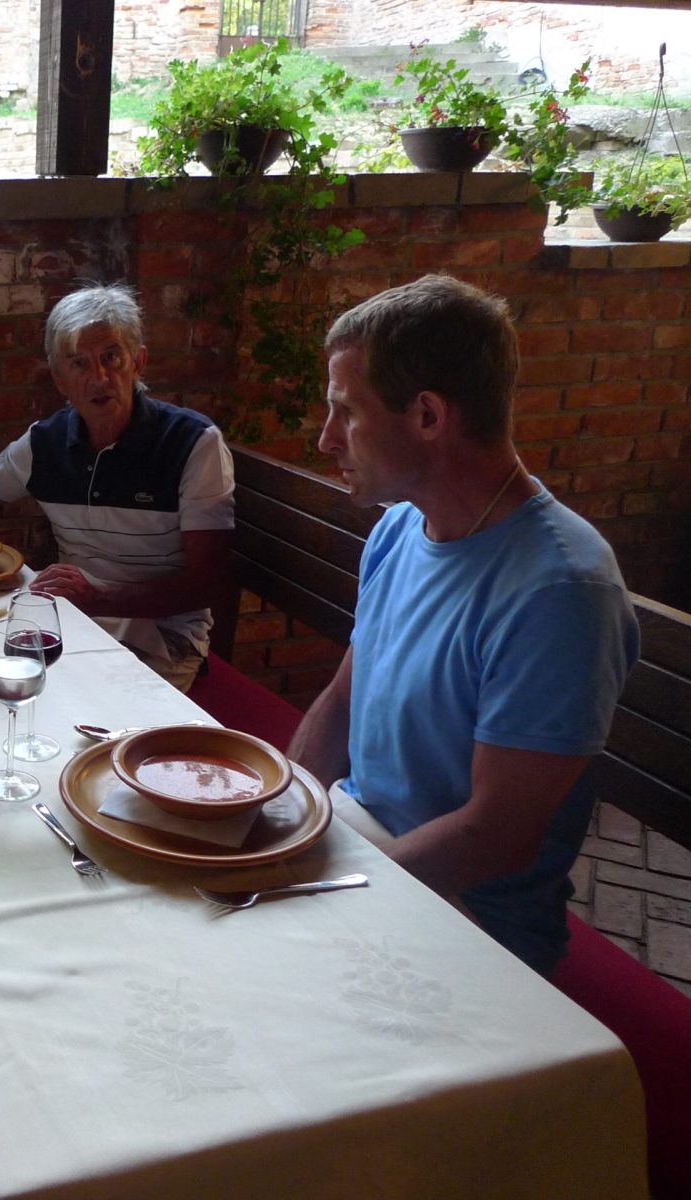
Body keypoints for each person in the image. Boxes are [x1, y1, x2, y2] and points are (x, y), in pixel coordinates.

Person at [289, 274, 640, 977]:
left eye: (345, 412)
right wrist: (271, 816)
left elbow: (495, 837)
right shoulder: (400, 528)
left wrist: (330, 902)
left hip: (470, 921)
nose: (326, 438)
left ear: (427, 415)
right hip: (366, 846)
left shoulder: (561, 592)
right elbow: (342, 699)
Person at [0, 283, 234, 691]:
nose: (99, 376)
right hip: (74, 622)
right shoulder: (46, 441)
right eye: (80, 363)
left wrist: (98, 598)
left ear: (138, 362)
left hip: (163, 640)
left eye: (111, 357)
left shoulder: (193, 443)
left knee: (18, 696)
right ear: (60, 380)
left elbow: (206, 584)